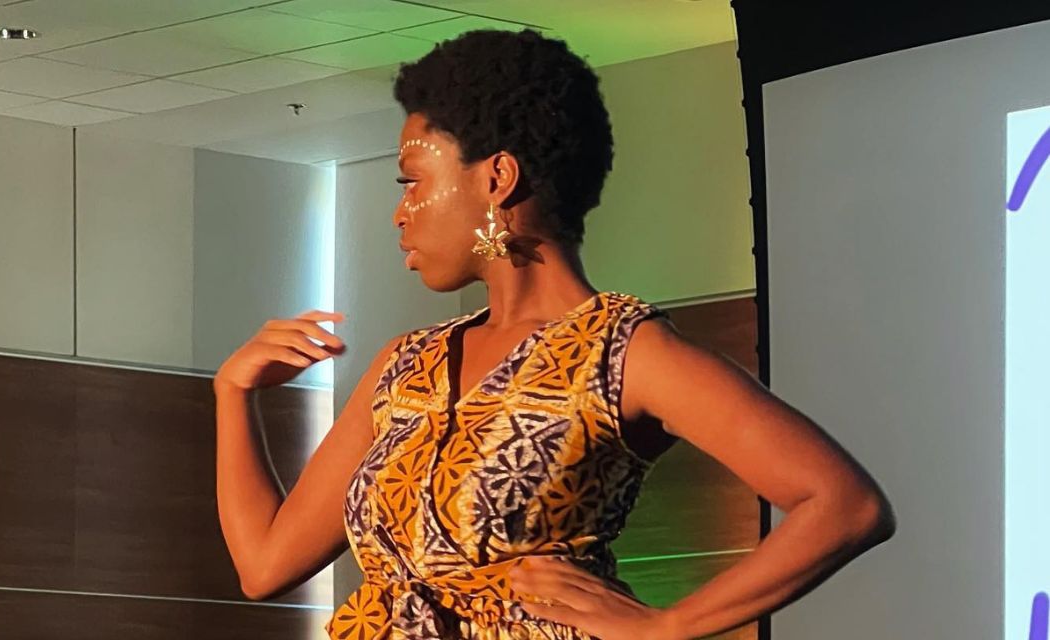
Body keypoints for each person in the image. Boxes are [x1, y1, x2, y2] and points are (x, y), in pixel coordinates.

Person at [213, 29, 896, 640]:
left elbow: (844, 503)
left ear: (497, 177)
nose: (400, 213)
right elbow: (265, 566)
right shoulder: (405, 365)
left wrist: (670, 626)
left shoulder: (627, 351)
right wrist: (232, 390)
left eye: (413, 182)